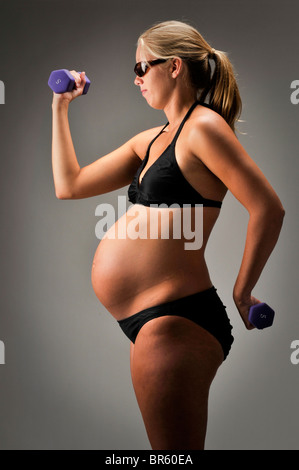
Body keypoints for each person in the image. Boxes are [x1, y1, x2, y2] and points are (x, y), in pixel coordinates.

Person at [51, 20, 285, 450]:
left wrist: (242, 290)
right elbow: (70, 185)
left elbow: (268, 208)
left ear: (174, 66)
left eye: (142, 67)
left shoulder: (203, 128)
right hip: (149, 324)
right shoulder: (152, 138)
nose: (136, 79)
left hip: (175, 320)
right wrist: (60, 107)